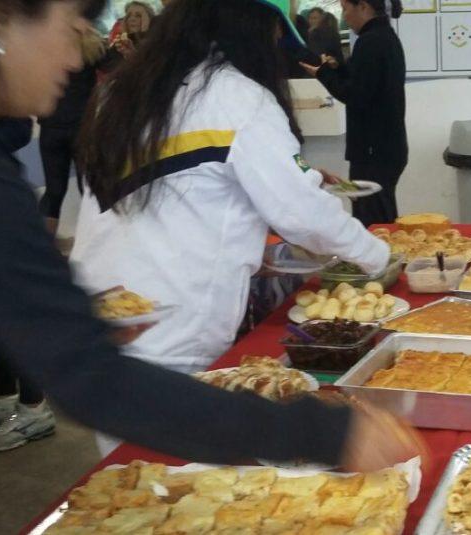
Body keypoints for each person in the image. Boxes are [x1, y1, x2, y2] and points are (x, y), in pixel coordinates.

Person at [0, 0, 423, 531]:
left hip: (121, 329)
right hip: (148, 354)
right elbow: (91, 378)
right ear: (0, 17)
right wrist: (326, 432)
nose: (75, 56)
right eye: (71, 25)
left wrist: (69, 312)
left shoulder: (110, 92)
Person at [72, 0, 391, 455]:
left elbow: (170, 197)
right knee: (176, 484)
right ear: (247, 27)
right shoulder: (236, 96)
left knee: (130, 476)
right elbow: (304, 213)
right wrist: (379, 256)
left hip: (103, 328)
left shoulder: (124, 89)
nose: (275, 48)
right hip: (175, 336)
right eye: (274, 34)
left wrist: (246, 245)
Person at [301, 0, 408, 228]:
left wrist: (323, 74)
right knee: (377, 216)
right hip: (384, 148)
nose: (344, 15)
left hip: (373, 152)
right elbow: (364, 82)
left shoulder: (371, 42)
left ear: (363, 7)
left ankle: (379, 252)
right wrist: (337, 69)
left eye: (346, 8)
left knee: (373, 223)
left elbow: (355, 94)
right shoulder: (383, 37)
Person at [38, 24, 105, 234]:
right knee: (89, 190)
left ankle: (45, 245)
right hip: (81, 128)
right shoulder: (93, 48)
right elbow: (119, 69)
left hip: (51, 127)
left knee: (53, 192)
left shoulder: (47, 47)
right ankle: (90, 242)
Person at [99, 1, 154, 75]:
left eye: (138, 16)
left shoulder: (156, 42)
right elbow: (106, 66)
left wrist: (144, 32)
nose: (132, 19)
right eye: (129, 16)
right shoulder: (123, 42)